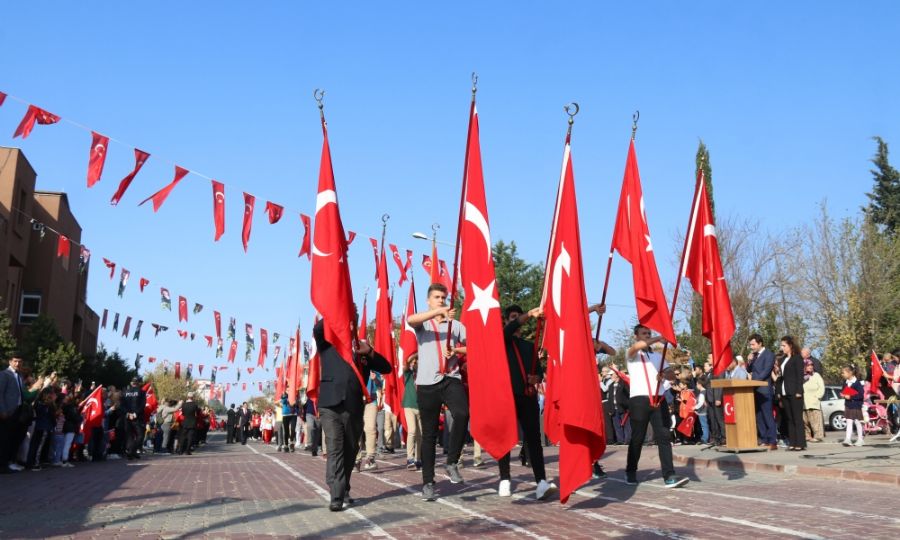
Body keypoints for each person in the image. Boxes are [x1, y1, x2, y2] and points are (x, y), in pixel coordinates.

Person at [314, 309, 391, 512]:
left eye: (352, 317)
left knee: (350, 450)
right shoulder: (328, 342)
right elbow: (317, 329)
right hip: (330, 403)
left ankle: (342, 485)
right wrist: (334, 312)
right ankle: (337, 495)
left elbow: (387, 367)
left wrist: (369, 351)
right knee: (335, 447)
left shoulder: (361, 347)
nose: (350, 321)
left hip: (354, 406)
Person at [407, 283, 469, 501]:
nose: (441, 300)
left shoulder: (457, 326)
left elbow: (475, 346)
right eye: (436, 297)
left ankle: (452, 461)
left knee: (462, 413)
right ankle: (428, 483)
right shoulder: (425, 324)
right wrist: (438, 312)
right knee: (429, 435)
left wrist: (456, 350)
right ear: (429, 300)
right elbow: (410, 320)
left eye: (443, 298)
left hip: (450, 378)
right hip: (427, 384)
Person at [624, 324, 689, 488]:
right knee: (638, 438)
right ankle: (631, 471)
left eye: (649, 333)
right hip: (639, 399)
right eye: (643, 333)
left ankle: (669, 475)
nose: (647, 335)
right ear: (636, 336)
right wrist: (660, 338)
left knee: (664, 436)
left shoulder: (658, 357)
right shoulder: (632, 353)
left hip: (658, 399)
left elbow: (672, 375)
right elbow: (639, 346)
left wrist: (665, 374)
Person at [498, 305, 552, 500]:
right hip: (507, 397)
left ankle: (541, 481)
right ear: (506, 321)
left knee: (534, 440)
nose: (517, 321)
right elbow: (509, 330)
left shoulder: (530, 346)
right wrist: (528, 314)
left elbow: (539, 372)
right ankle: (504, 478)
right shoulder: (502, 341)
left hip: (528, 397)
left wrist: (535, 379)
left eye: (518, 317)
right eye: (513, 317)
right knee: (504, 438)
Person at [747, 334, 777, 450]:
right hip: (755, 390)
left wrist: (754, 380)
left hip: (764, 390)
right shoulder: (754, 356)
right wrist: (749, 361)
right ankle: (764, 438)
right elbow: (748, 370)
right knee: (759, 416)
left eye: (753, 344)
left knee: (767, 415)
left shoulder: (769, 354)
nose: (751, 347)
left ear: (760, 343)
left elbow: (766, 371)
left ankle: (772, 440)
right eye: (750, 345)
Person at [776, 336, 806, 451]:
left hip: (795, 392)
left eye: (784, 345)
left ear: (791, 346)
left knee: (797, 418)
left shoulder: (797, 358)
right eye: (781, 345)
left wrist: (799, 391)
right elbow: (781, 377)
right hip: (785, 392)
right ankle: (792, 442)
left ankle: (800, 443)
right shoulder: (783, 359)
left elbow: (800, 376)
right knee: (789, 418)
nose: (782, 347)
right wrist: (778, 392)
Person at [0, 353, 28, 473]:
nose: (17, 364)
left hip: (18, 412)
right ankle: (2, 466)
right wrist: (3, 410)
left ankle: (9, 463)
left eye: (20, 361)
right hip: (7, 412)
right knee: (4, 439)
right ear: (10, 362)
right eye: (15, 361)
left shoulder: (19, 376)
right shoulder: (4, 374)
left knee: (13, 439)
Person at [402, 353, 422, 470]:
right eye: (413, 362)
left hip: (420, 407)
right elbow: (406, 363)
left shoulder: (422, 375)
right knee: (412, 430)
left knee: (420, 435)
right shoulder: (408, 374)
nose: (415, 363)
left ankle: (418, 458)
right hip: (409, 405)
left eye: (417, 361)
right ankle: (410, 458)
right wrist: (415, 353)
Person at [840, 365, 866, 446]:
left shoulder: (857, 383)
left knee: (858, 422)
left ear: (850, 373)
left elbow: (861, 395)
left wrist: (851, 396)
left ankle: (860, 439)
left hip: (856, 405)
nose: (842, 374)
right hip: (848, 405)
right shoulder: (845, 382)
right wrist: (843, 394)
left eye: (843, 373)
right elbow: (844, 391)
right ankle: (848, 439)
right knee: (849, 421)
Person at [122, 377, 147, 460]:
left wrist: (128, 413)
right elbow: (142, 405)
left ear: (131, 383)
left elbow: (122, 405)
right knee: (140, 435)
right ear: (138, 383)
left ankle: (132, 451)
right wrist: (135, 413)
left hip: (128, 417)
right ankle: (132, 451)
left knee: (129, 435)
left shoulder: (125, 392)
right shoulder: (142, 392)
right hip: (138, 417)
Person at [801, 359, 825, 443]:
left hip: (814, 402)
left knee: (815, 421)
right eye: (808, 365)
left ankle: (818, 436)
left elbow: (821, 387)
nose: (810, 367)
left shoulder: (816, 375)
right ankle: (807, 436)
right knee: (805, 421)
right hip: (803, 402)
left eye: (811, 365)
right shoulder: (801, 376)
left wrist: (818, 397)